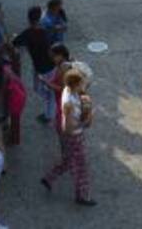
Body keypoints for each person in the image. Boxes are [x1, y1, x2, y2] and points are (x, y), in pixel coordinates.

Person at [41, 68, 97, 207]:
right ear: (76, 84)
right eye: (82, 83)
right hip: (75, 137)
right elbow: (68, 126)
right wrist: (88, 118)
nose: (84, 85)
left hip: (70, 136)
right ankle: (82, 196)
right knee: (81, 167)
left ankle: (49, 178)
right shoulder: (70, 104)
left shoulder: (68, 89)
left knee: (68, 160)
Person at [13, 7, 56, 124]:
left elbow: (15, 42)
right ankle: (51, 105)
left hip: (43, 66)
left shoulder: (28, 33)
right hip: (47, 66)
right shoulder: (44, 31)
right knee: (42, 89)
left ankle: (49, 114)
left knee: (44, 90)